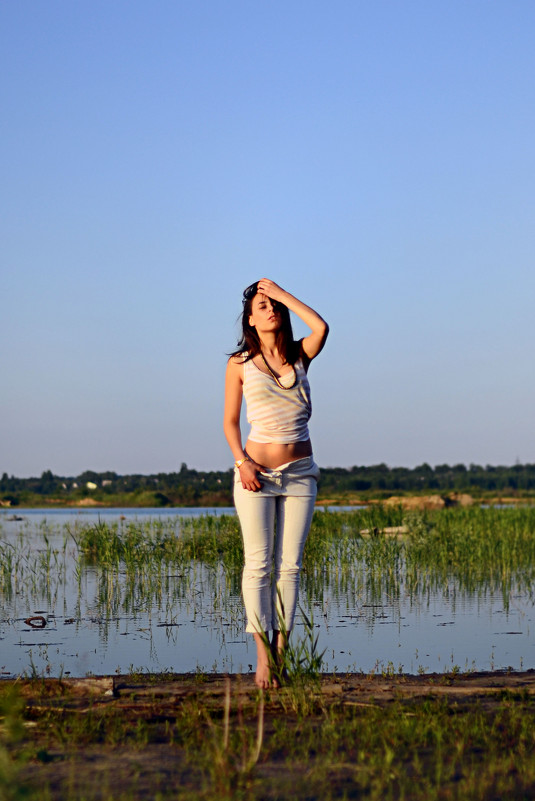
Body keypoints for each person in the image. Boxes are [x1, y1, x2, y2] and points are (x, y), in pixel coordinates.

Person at [224, 278, 329, 689]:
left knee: (291, 566)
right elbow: (230, 422)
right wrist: (242, 462)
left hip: (301, 472)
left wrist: (282, 293)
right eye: (262, 305)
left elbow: (321, 327)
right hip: (256, 475)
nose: (270, 310)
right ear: (250, 318)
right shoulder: (240, 363)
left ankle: (283, 651)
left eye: (274, 306)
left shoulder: (300, 355)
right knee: (258, 564)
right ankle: (263, 657)